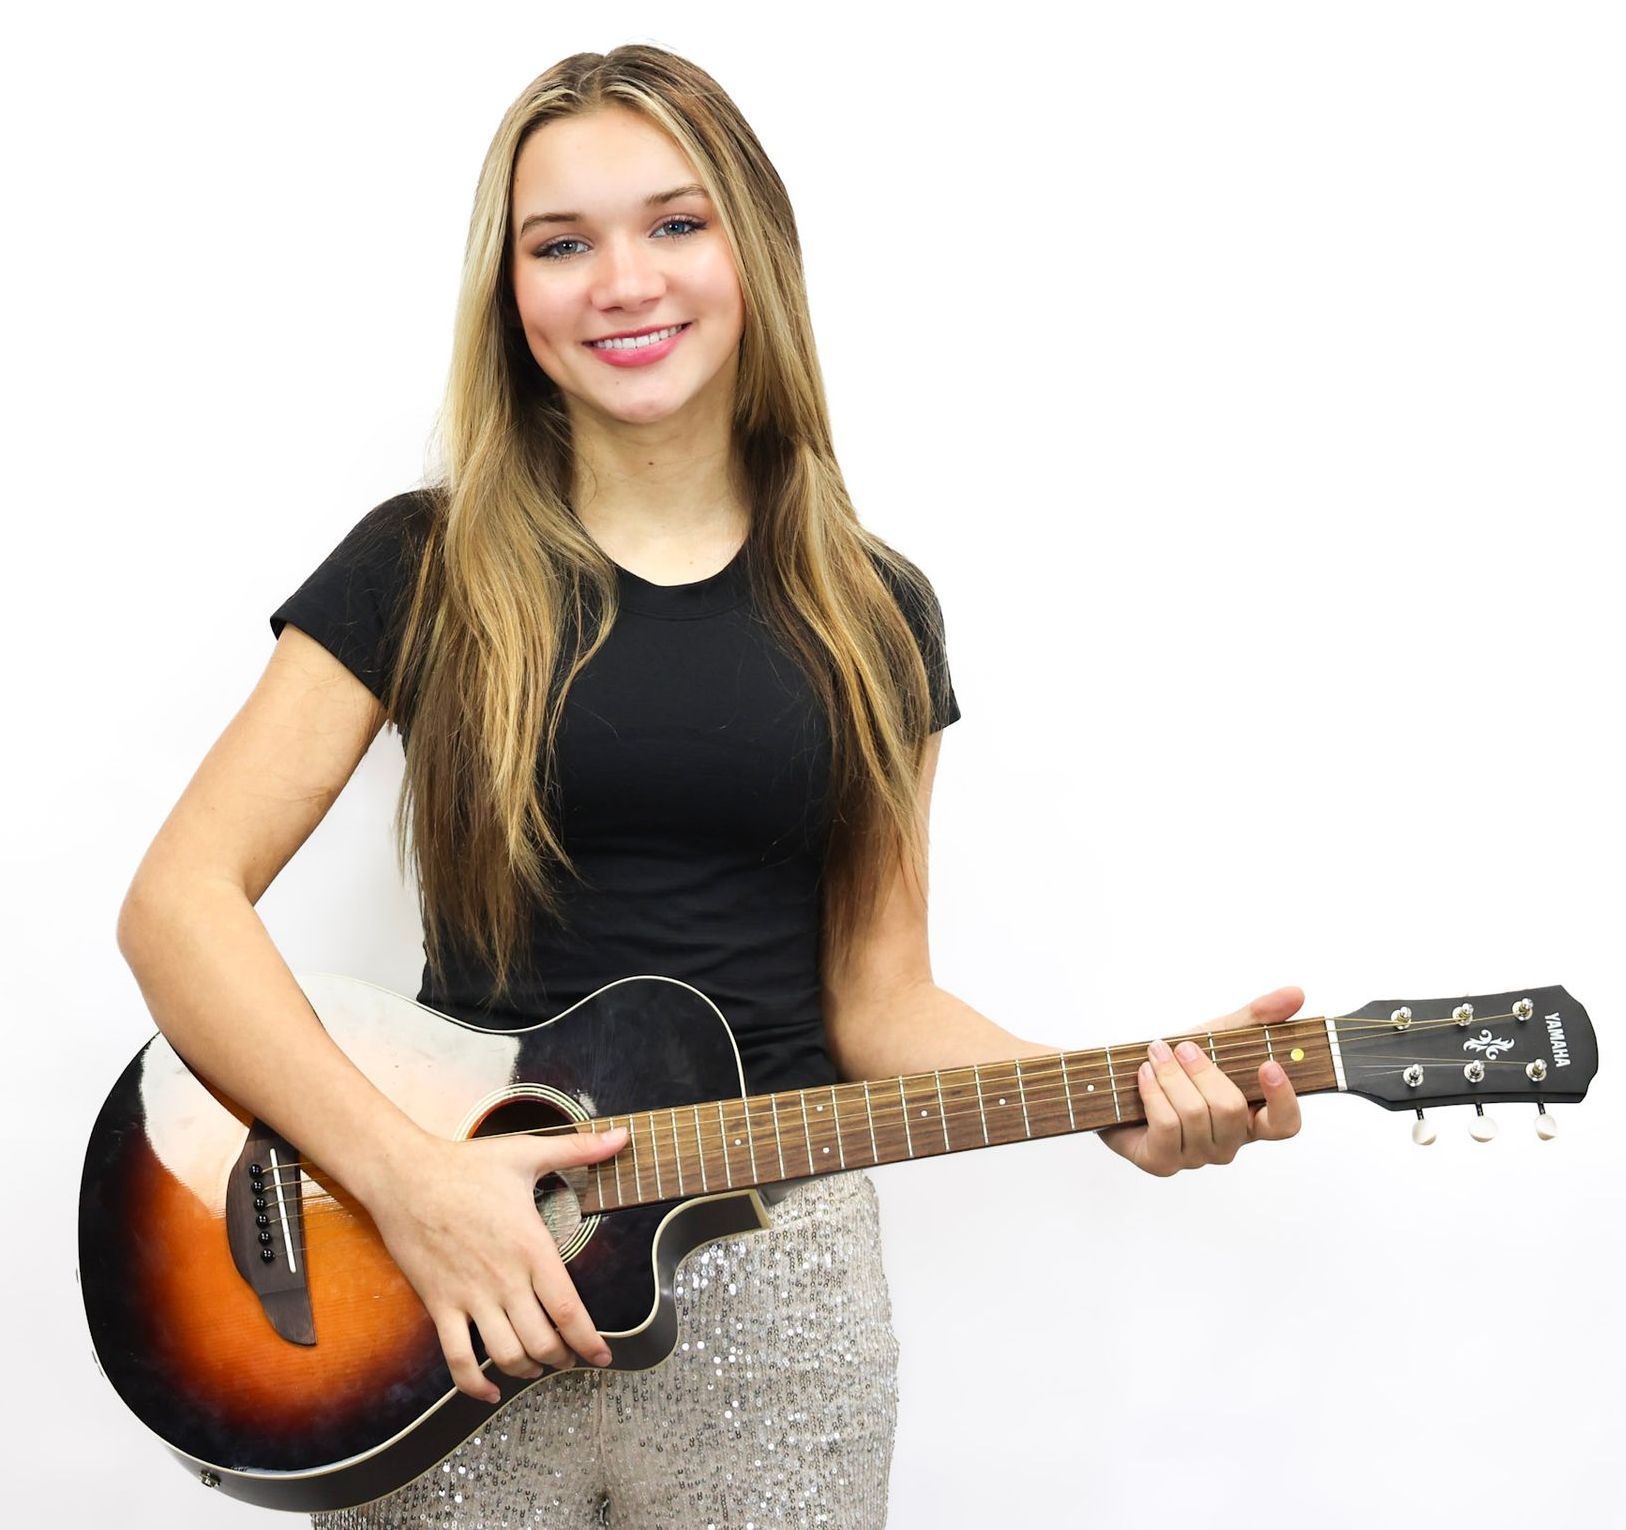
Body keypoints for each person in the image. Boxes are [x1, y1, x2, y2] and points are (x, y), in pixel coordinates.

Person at [115, 44, 1304, 1529]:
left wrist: (1109, 1097)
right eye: (562, 243)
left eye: (675, 224)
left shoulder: (876, 609)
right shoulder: (417, 565)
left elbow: (877, 1001)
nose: (623, 281)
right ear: (512, 294)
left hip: (779, 1289)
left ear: (754, 251)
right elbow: (176, 905)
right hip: (452, 1272)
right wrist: (412, 1184)